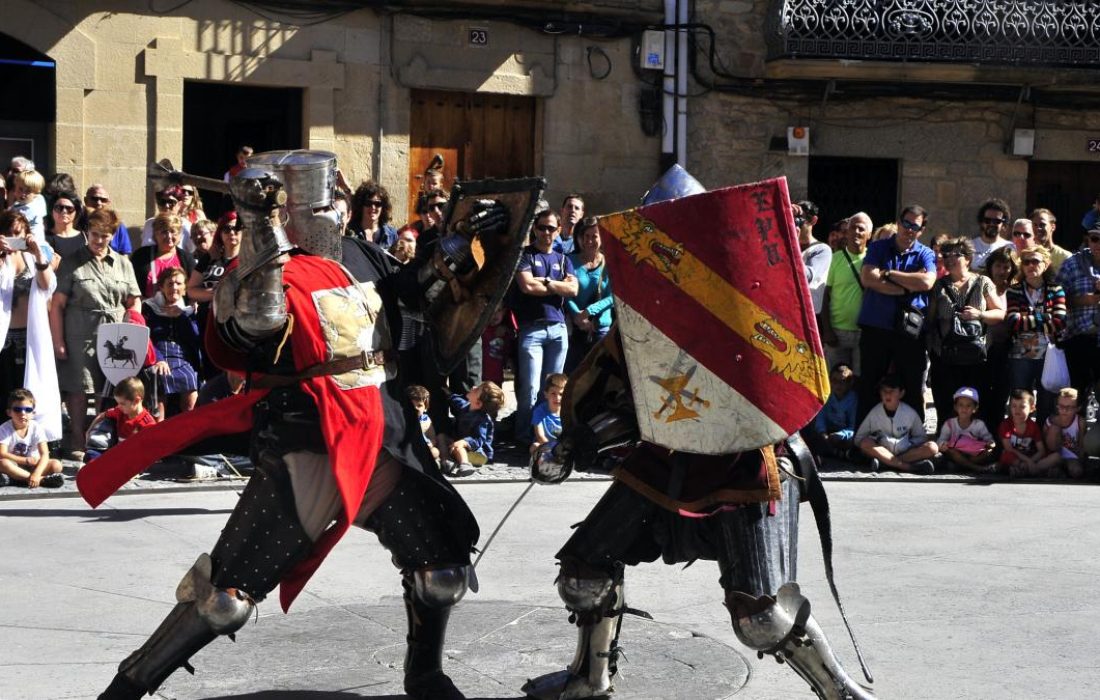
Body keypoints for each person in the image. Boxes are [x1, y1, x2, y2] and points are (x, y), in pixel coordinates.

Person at [86, 155, 526, 700]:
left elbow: (414, 290)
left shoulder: (359, 254)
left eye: (333, 201)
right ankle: (128, 685)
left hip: (381, 432)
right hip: (307, 438)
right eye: (318, 205)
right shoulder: (254, 269)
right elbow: (248, 331)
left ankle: (426, 673)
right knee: (225, 599)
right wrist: (258, 237)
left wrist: (463, 242)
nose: (333, 213)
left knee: (441, 568)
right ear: (286, 212)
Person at [50, 208, 142, 457]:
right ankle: (78, 438)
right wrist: (58, 340)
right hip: (80, 333)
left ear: (113, 235)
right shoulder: (72, 262)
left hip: (114, 333)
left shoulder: (123, 263)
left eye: (104, 235)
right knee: (79, 389)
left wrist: (133, 322)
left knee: (109, 389)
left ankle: (101, 436)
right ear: (86, 233)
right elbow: (57, 305)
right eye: (94, 234)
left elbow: (133, 300)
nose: (98, 240)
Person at [856, 204, 936, 423]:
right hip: (876, 327)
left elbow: (927, 281)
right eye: (906, 223)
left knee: (912, 387)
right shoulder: (879, 247)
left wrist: (889, 274)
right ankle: (863, 440)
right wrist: (907, 287)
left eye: (915, 227)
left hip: (910, 332)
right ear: (899, 223)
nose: (909, 229)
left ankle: (915, 439)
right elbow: (869, 279)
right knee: (870, 385)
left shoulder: (925, 253)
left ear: (921, 231)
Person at [925, 237, 1004, 433]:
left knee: (977, 402)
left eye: (956, 255)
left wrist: (980, 314)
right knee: (946, 403)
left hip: (977, 356)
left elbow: (999, 313)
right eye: (946, 255)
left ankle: (976, 444)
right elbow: (931, 319)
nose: (950, 259)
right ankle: (947, 445)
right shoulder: (938, 286)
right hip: (946, 356)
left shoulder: (983, 282)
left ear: (968, 258)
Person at [513, 209, 578, 441]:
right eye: (542, 227)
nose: (546, 232)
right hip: (532, 328)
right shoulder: (525, 256)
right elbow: (527, 287)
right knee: (530, 387)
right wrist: (557, 285)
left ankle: (546, 435)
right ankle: (523, 436)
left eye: (551, 228)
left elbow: (573, 290)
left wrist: (547, 281)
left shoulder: (564, 259)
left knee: (554, 387)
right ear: (534, 228)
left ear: (559, 230)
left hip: (558, 329)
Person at [0, 211, 59, 434]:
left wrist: (37, 255)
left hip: (28, 335)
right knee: (3, 390)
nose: (13, 237)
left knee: (27, 389)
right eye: (8, 233)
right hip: (3, 337)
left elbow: (46, 286)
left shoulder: (31, 258)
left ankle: (30, 440)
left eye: (18, 233)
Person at [1004, 246, 1066, 423]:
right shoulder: (1014, 290)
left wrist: (1027, 319)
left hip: (1048, 355)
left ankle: (1043, 442)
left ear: (1045, 264)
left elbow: (1060, 321)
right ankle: (1018, 440)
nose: (1031, 265)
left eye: (1035, 261)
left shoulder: (1055, 290)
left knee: (1047, 402)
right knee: (1019, 401)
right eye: (1026, 262)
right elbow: (1013, 321)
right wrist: (1045, 317)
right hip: (1019, 355)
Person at [142, 268, 201, 419]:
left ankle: (188, 432)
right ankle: (157, 428)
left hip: (181, 357)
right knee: (160, 376)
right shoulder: (150, 307)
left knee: (190, 379)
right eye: (169, 284)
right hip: (156, 354)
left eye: (178, 283)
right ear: (161, 287)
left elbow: (194, 339)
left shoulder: (188, 310)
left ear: (184, 288)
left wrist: (182, 316)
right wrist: (158, 359)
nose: (174, 287)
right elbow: (145, 337)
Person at [1054, 227, 1100, 415]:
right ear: (1088, 240)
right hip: (1079, 338)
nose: (1098, 244)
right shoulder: (1072, 264)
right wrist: (1083, 300)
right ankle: (1076, 438)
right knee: (1077, 394)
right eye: (1095, 238)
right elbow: (1055, 298)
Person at [854, 374, 939, 474]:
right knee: (865, 443)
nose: (887, 394)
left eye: (892, 391)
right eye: (884, 391)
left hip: (905, 452)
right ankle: (908, 467)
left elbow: (921, 437)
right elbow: (859, 439)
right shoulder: (875, 412)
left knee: (932, 447)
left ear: (901, 393)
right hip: (883, 450)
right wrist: (878, 440)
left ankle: (885, 464)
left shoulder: (910, 413)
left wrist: (908, 444)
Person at [820, 211, 870, 374]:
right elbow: (825, 297)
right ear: (846, 232)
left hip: (865, 332)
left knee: (861, 379)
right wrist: (827, 330)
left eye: (861, 229)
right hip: (837, 331)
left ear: (869, 234)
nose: (856, 232)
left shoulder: (874, 259)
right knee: (836, 381)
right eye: (853, 228)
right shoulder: (835, 260)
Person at [564, 217, 613, 373]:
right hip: (575, 329)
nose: (590, 241)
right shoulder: (568, 261)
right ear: (579, 237)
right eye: (586, 236)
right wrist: (578, 316)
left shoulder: (608, 263)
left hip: (601, 329)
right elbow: (565, 293)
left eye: (594, 236)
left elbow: (612, 297)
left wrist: (589, 311)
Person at [982, 246, 1019, 428]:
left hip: (1007, 348)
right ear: (991, 267)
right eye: (998, 266)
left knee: (1001, 393)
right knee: (983, 392)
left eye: (1006, 267)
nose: (1002, 271)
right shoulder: (981, 287)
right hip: (983, 348)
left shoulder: (1015, 290)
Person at [0, 388, 63, 488]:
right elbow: (2, 453)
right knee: (3, 463)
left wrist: (37, 473)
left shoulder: (36, 427)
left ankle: (18, 479)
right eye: (17, 409)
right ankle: (41, 480)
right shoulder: (4, 429)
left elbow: (45, 454)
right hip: (14, 465)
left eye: (28, 410)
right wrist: (25, 461)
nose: (23, 413)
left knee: (56, 465)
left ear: (33, 413)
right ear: (9, 412)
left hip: (33, 466)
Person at [84, 377, 157, 462]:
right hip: (118, 454)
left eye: (122, 403)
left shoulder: (147, 422)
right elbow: (102, 416)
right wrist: (89, 430)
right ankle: (95, 465)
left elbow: (151, 448)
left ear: (136, 400)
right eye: (118, 403)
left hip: (134, 459)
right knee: (90, 454)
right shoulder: (119, 411)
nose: (119, 406)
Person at [439, 380, 504, 477]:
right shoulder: (466, 406)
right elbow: (457, 402)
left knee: (458, 447)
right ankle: (446, 461)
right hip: (462, 448)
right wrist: (448, 393)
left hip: (479, 454)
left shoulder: (482, 420)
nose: (473, 387)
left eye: (477, 389)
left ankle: (465, 465)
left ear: (478, 403)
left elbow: (479, 440)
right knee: (441, 437)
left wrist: (464, 442)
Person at [998, 389, 1061, 479]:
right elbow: (1009, 448)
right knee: (1006, 455)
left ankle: (1024, 470)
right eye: (1014, 406)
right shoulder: (1006, 424)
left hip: (1031, 457)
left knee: (1056, 456)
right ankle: (1038, 471)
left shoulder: (1033, 426)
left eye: (1022, 407)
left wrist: (1030, 461)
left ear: (1032, 408)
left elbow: (1041, 450)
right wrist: (1028, 462)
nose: (1017, 410)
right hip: (1015, 458)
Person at [132, 212, 196, 299]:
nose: (169, 236)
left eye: (173, 232)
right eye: (164, 232)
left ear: (180, 235)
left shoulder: (186, 259)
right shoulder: (140, 256)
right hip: (146, 309)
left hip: (178, 310)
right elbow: (131, 287)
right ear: (155, 234)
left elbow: (194, 287)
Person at [936, 386, 996, 473]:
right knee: (951, 451)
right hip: (956, 454)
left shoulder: (979, 424)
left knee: (988, 452)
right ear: (955, 407)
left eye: (968, 405)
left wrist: (991, 443)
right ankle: (975, 468)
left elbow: (989, 439)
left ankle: (962, 465)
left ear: (975, 408)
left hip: (973, 454)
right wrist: (943, 445)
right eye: (961, 405)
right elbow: (941, 440)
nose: (964, 408)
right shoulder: (950, 424)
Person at [808, 363, 858, 459]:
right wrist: (823, 433)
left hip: (844, 434)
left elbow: (853, 426)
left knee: (855, 440)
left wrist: (840, 435)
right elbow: (820, 418)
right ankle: (838, 453)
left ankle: (835, 452)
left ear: (850, 383)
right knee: (812, 435)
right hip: (827, 433)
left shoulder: (853, 399)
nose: (838, 385)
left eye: (843, 381)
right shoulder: (827, 395)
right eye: (834, 381)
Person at [796, 199, 831, 315]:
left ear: (813, 220)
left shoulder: (822, 249)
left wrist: (791, 243)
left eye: (800, 220)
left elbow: (806, 276)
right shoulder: (783, 245)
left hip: (808, 315)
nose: (795, 224)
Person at [1045, 388, 1088, 480]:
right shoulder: (1051, 420)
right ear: (1057, 405)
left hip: (1071, 457)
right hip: (1054, 456)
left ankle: (1062, 471)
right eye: (1061, 406)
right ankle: (1056, 469)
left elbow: (1082, 447)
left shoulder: (1080, 422)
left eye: (1069, 407)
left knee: (1077, 471)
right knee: (1054, 428)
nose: (1064, 410)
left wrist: (1079, 462)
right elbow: (1044, 443)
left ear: (1078, 408)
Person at [82, 185, 133, 255]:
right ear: (85, 200)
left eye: (103, 200)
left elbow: (124, 253)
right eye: (94, 198)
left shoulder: (118, 225)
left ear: (108, 203)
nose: (98, 203)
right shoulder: (77, 221)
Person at [140, 186, 193, 252]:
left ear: (179, 204)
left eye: (171, 202)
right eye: (162, 202)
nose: (166, 206)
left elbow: (192, 252)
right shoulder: (150, 223)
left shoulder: (185, 225)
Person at [348, 180, 396, 247]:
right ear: (361, 205)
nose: (373, 207)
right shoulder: (350, 233)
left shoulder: (391, 235)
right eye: (368, 203)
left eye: (377, 204)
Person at [970, 198, 1012, 272]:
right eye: (988, 220)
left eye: (997, 221)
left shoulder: (1010, 247)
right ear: (982, 222)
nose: (992, 224)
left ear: (1003, 224)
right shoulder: (970, 247)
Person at [530, 372, 566, 455]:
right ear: (546, 394)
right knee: (534, 446)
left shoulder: (567, 412)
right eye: (553, 393)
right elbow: (540, 436)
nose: (557, 398)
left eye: (561, 394)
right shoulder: (539, 411)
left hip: (562, 446)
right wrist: (553, 448)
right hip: (544, 445)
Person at [46, 190, 87, 261]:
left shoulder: (86, 238)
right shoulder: (43, 238)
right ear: (52, 210)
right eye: (59, 208)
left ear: (76, 212)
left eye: (69, 208)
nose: (64, 211)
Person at [9, 169, 48, 242]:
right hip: (20, 243)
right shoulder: (15, 207)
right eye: (20, 189)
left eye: (28, 191)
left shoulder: (37, 204)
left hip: (36, 244)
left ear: (36, 193)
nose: (23, 194)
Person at [406, 384, 440, 462]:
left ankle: (434, 462)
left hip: (423, 447)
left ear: (426, 408)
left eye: (419, 405)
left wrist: (431, 444)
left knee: (435, 452)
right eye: (412, 405)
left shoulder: (426, 421)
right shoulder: (404, 419)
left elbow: (432, 437)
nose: (415, 408)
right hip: (409, 447)